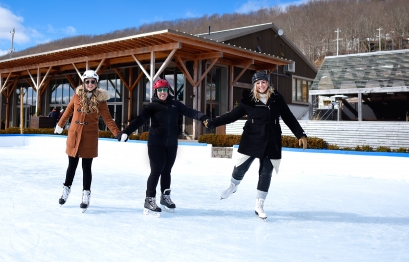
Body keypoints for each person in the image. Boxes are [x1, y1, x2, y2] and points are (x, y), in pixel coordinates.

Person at [204, 71, 307, 220]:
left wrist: (300, 134)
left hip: (271, 141)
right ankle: (233, 186)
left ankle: (259, 204)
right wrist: (213, 122)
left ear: (268, 83)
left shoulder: (277, 98)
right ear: (254, 85)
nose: (261, 85)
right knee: (240, 167)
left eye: (263, 82)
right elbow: (232, 116)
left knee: (266, 173)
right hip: (251, 139)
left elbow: (288, 117)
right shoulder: (249, 100)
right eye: (258, 83)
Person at [117, 78, 209, 216]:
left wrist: (203, 117)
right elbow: (140, 120)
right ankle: (149, 199)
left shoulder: (175, 104)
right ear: (156, 92)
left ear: (168, 91)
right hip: (156, 143)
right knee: (156, 171)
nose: (162, 93)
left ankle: (165, 197)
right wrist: (126, 132)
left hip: (172, 144)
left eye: (164, 90)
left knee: (167, 171)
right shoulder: (152, 106)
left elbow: (190, 111)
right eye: (159, 90)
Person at [54, 70, 120, 212]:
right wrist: (60, 125)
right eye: (87, 81)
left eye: (93, 82)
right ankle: (66, 190)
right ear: (84, 83)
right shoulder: (76, 97)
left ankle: (86, 195)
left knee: (86, 168)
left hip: (89, 137)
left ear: (96, 83)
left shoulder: (101, 101)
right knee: (71, 166)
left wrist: (117, 133)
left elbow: (108, 119)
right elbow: (67, 112)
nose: (90, 84)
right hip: (74, 135)